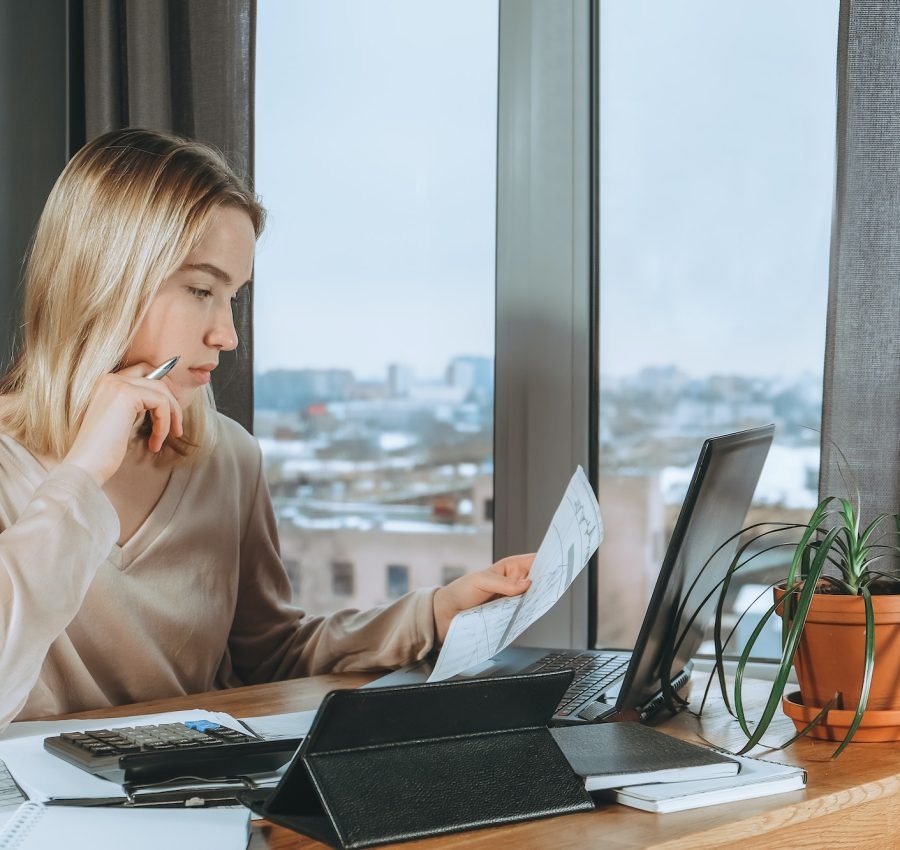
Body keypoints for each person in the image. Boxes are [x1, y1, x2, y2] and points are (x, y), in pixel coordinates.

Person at [0, 128, 533, 733]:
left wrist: (434, 615)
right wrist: (81, 474)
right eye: (201, 289)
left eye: (233, 296)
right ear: (104, 281)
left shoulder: (227, 456)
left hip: (191, 800)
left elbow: (272, 657)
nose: (226, 335)